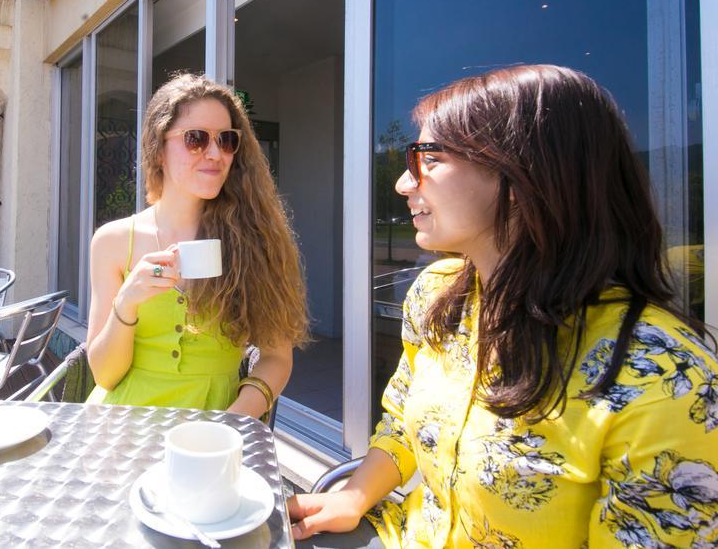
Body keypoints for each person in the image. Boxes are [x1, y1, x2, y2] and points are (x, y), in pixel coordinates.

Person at [289, 65, 718, 547]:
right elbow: (403, 423)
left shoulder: (662, 379)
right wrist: (354, 497)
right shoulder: (436, 294)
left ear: (524, 172)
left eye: (426, 159)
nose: (403, 185)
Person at [85, 73, 310, 419]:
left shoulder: (255, 239)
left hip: (216, 427)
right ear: (158, 149)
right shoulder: (113, 242)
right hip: (121, 423)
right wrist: (127, 302)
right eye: (196, 139)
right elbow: (105, 375)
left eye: (226, 140)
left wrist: (237, 419)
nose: (214, 153)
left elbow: (277, 356)